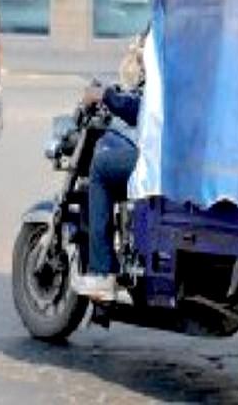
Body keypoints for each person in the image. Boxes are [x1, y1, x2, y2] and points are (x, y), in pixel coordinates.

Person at [71, 33, 146, 301]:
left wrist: (105, 95)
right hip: (176, 156)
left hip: (160, 159)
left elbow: (142, 110)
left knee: (101, 167)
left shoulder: (167, 59)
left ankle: (102, 272)